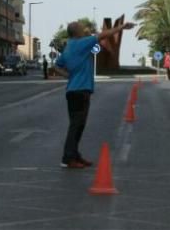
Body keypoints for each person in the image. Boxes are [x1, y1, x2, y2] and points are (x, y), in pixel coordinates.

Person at [52, 19, 135, 168]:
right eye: (80, 27)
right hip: (80, 91)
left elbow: (56, 66)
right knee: (76, 126)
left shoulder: (69, 47)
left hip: (72, 90)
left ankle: (75, 155)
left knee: (78, 125)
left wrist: (68, 76)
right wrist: (121, 27)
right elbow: (103, 35)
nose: (83, 28)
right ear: (76, 32)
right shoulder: (81, 43)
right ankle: (68, 158)